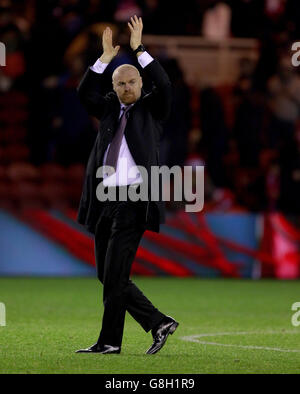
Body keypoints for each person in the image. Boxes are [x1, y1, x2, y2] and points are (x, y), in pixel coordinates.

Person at [75, 16, 179, 355]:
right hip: (105, 200)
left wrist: (139, 49)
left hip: (135, 200)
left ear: (139, 82)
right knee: (109, 277)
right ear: (115, 87)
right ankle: (156, 323)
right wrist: (104, 59)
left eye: (132, 81)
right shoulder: (108, 110)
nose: (127, 88)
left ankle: (111, 342)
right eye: (120, 84)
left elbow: (164, 86)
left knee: (115, 275)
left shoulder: (151, 109)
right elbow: (83, 92)